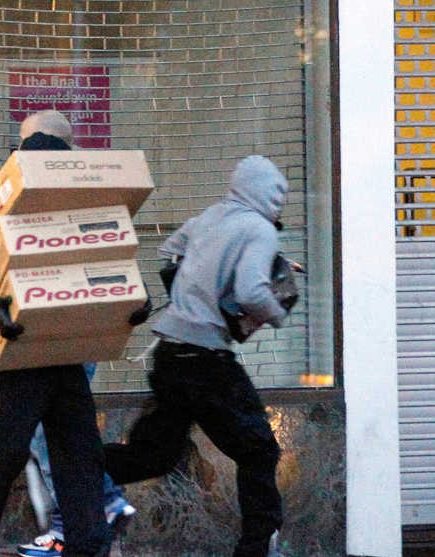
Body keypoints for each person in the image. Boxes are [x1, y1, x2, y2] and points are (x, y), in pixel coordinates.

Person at [102, 155, 290, 557]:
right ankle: (258, 548)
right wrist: (277, 316)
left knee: (152, 456)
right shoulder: (259, 229)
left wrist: (191, 295)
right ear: (272, 195)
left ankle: (74, 468)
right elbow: (252, 293)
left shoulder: (211, 216)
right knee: (259, 449)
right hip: (207, 359)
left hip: (170, 354)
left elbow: (170, 254)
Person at [0, 122, 110, 557]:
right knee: (20, 450)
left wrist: (128, 303)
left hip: (61, 349)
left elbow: (106, 265)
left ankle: (87, 543)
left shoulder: (75, 206)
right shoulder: (1, 199)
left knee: (70, 448)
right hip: (18, 354)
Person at [10, 111, 136, 557]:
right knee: (66, 431)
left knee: (50, 433)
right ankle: (101, 506)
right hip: (83, 323)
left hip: (49, 325)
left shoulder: (34, 189)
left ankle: (87, 513)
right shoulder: (91, 190)